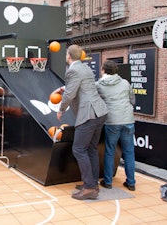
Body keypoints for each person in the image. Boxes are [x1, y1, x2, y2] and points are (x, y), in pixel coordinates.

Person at [56, 44, 108, 200]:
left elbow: (71, 93)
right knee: (91, 149)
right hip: (100, 112)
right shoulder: (85, 68)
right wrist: (68, 90)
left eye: (66, 54)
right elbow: (82, 88)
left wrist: (61, 109)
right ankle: (92, 184)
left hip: (89, 113)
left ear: (69, 56)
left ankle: (89, 187)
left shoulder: (72, 70)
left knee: (78, 149)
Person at [96, 60, 136, 191]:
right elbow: (133, 101)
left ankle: (108, 182)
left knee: (110, 151)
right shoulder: (125, 83)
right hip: (128, 120)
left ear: (103, 70)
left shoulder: (99, 85)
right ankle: (131, 183)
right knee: (129, 152)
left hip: (112, 121)